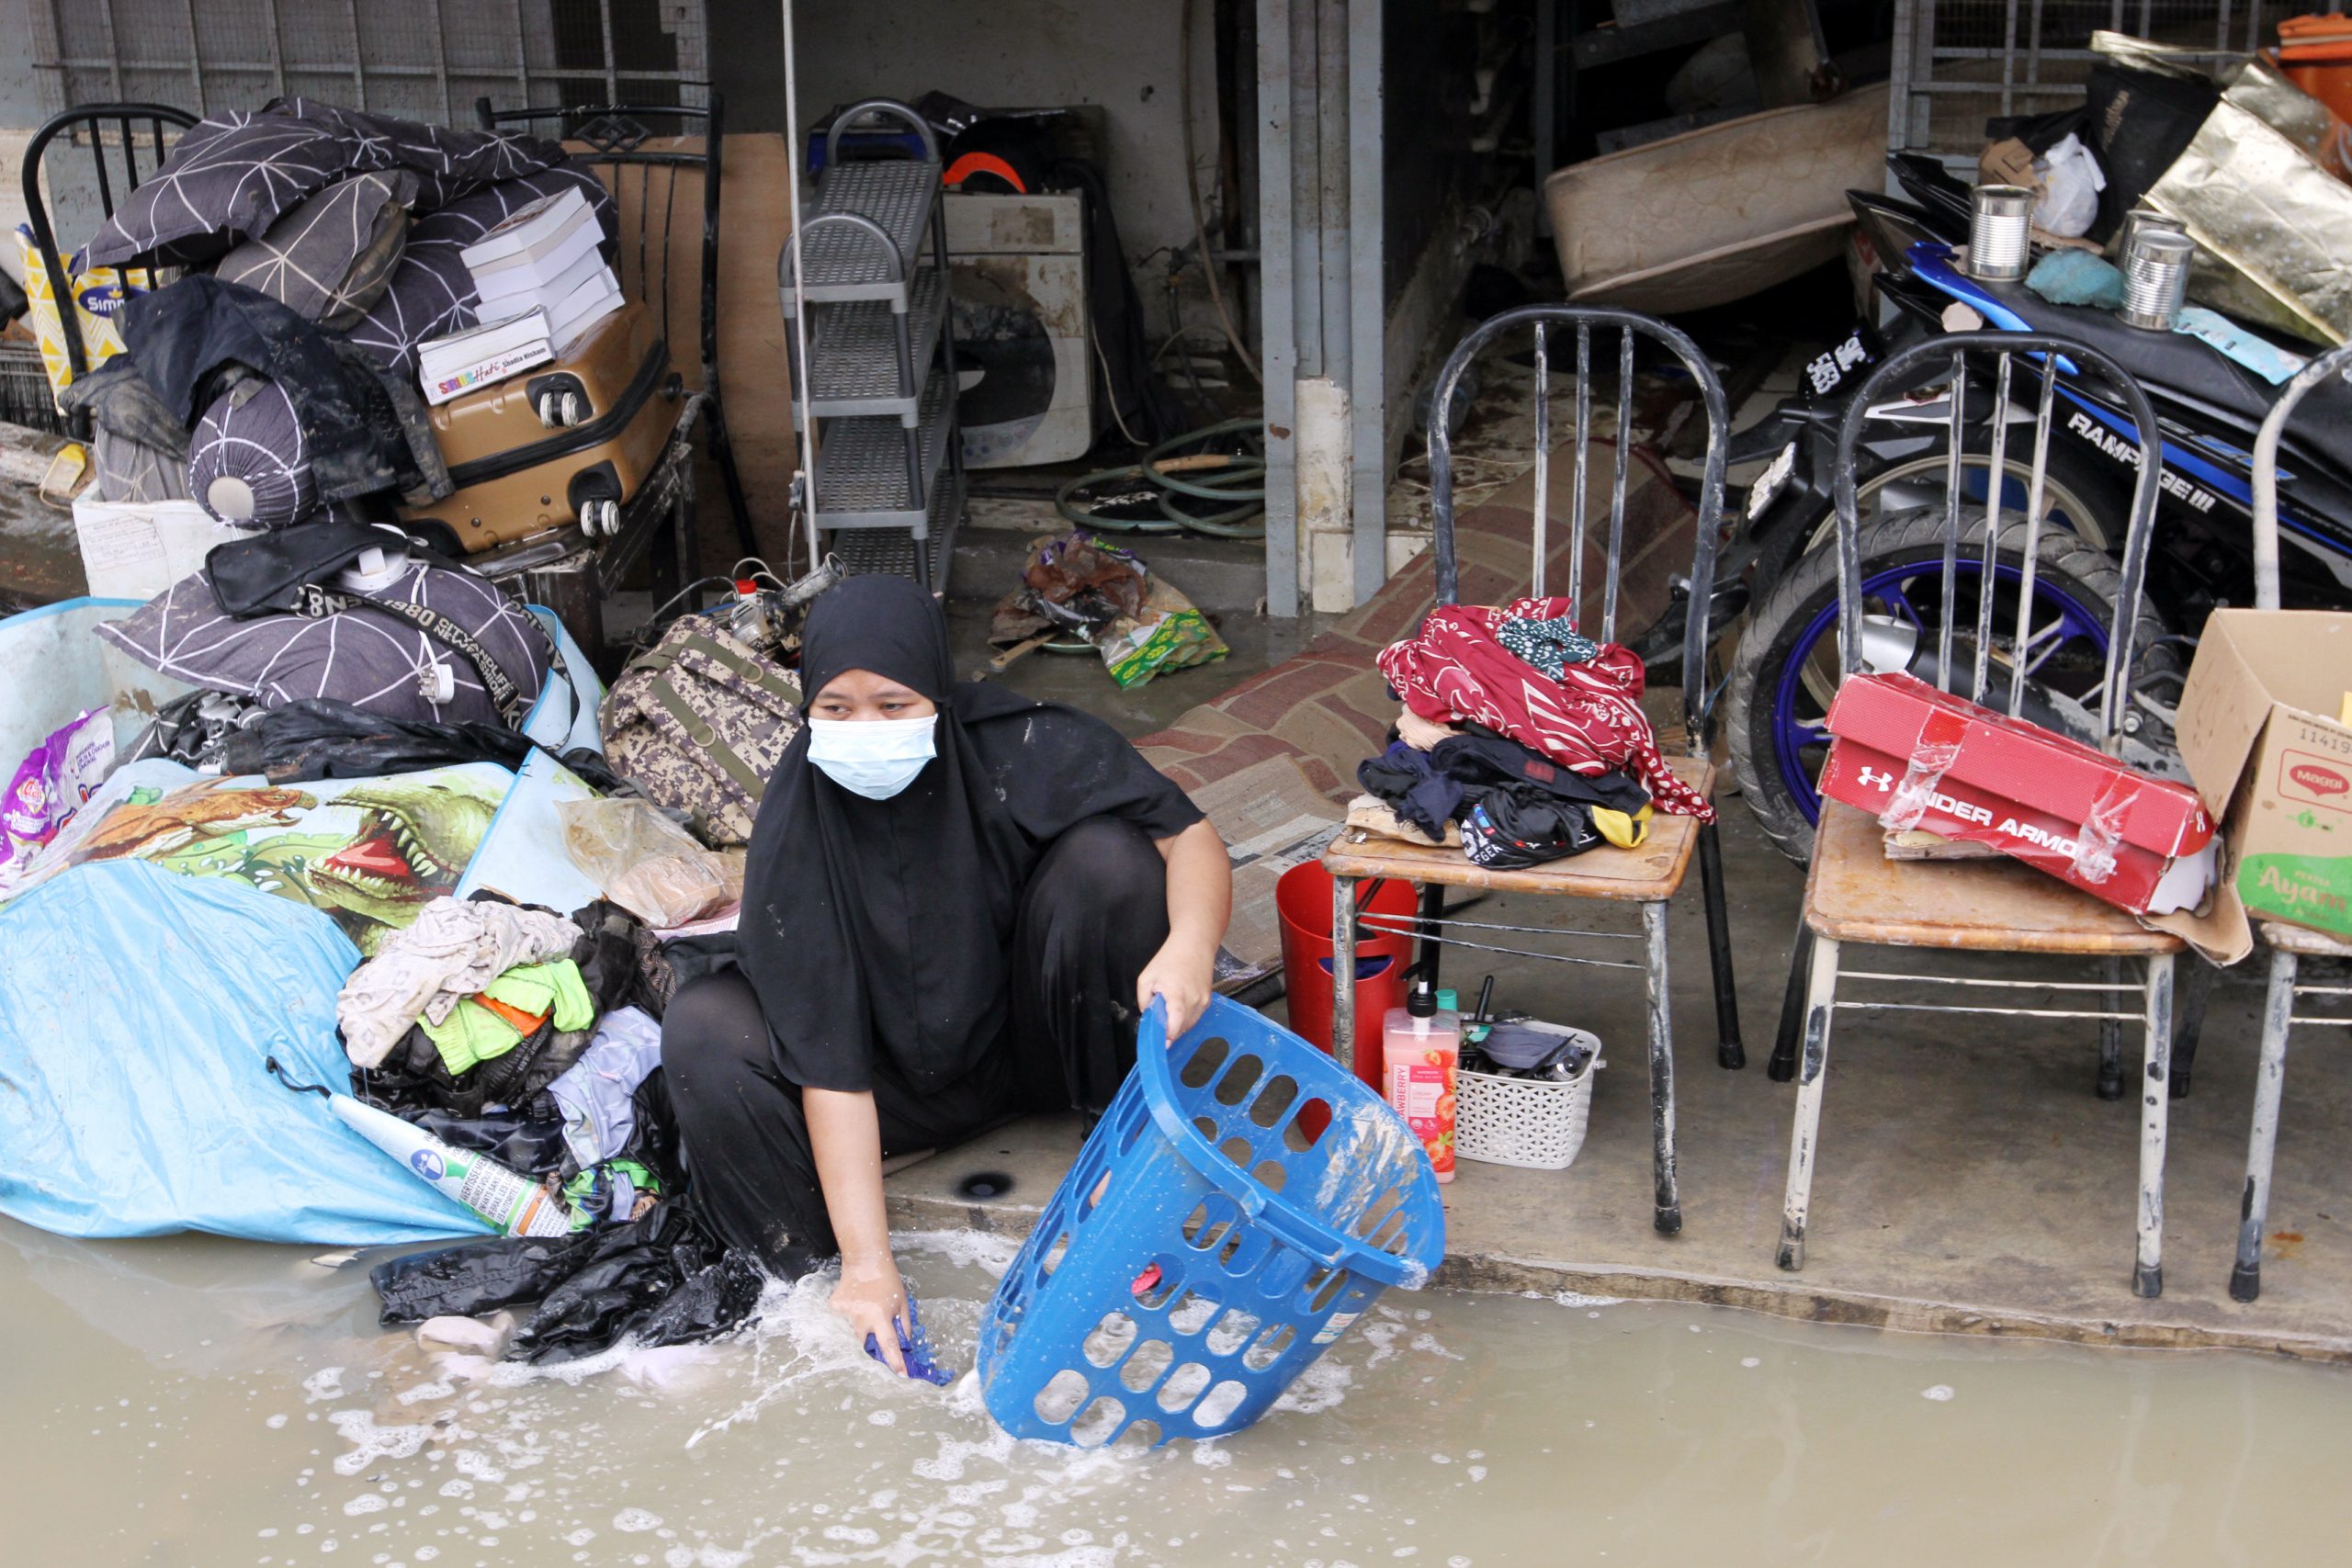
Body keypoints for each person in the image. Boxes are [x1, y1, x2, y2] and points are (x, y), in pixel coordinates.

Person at [660, 574, 1232, 1372]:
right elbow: (827, 1061)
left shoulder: (1017, 741)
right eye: (837, 707)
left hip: (1028, 1049)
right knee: (702, 1026)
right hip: (883, 1090)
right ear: (807, 710)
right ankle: (803, 1281)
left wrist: (1192, 947)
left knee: (1111, 860)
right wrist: (869, 1264)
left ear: (937, 689)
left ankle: (1118, 1150)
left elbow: (1189, 836)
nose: (866, 726)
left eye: (894, 704)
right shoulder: (797, 824)